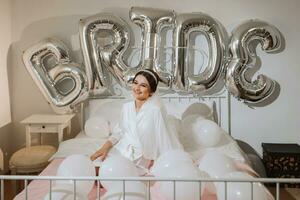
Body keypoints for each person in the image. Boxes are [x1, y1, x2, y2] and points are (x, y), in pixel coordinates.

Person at [90, 69, 182, 168]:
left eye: (143, 85)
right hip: (123, 150)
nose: (137, 88)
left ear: (151, 91)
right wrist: (104, 148)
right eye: (135, 83)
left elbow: (162, 140)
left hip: (143, 156)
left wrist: (161, 162)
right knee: (95, 165)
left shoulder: (155, 110)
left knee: (115, 172)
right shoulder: (127, 107)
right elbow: (119, 132)